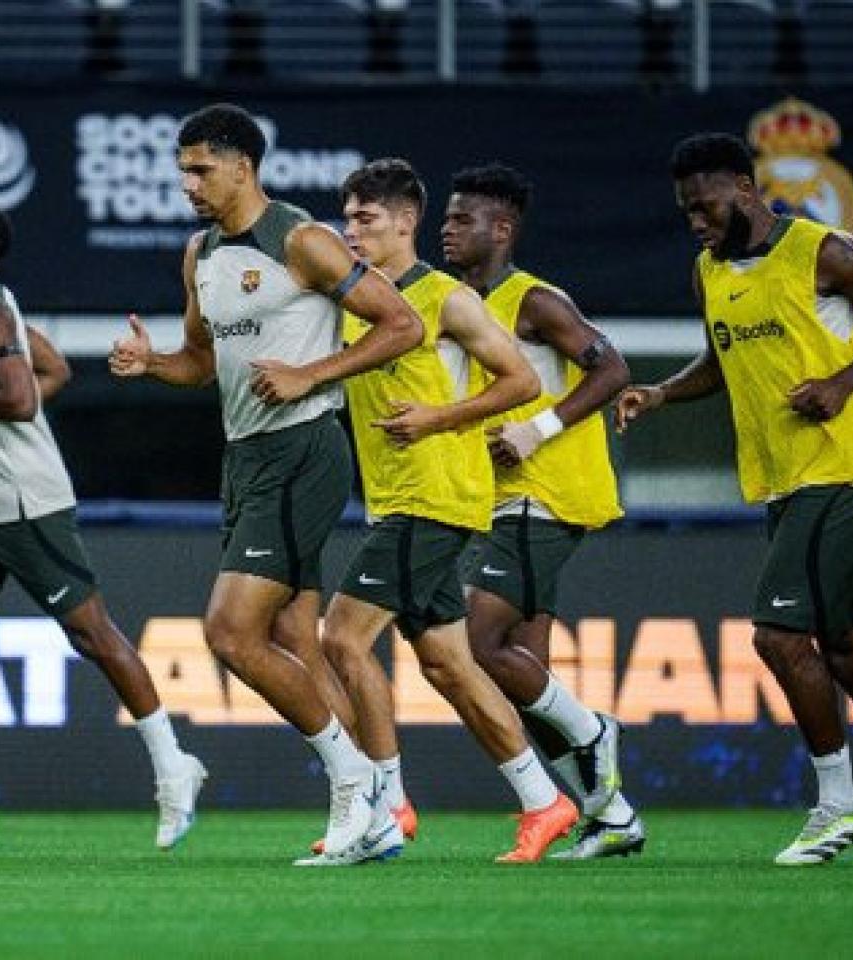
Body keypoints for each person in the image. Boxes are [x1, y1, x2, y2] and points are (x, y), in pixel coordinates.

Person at [617, 132, 853, 867]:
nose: (695, 222)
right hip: (784, 483)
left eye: (704, 206)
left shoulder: (820, 250)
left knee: (777, 637)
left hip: (843, 471)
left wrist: (845, 381)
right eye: (686, 211)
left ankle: (838, 807)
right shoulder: (710, 271)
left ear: (745, 191)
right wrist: (660, 393)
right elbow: (723, 363)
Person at [110, 103, 425, 866]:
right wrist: (151, 365)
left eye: (199, 168)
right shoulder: (200, 253)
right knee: (290, 638)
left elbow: (402, 325)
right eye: (182, 169)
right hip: (245, 457)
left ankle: (359, 788)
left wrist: (310, 373)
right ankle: (375, 802)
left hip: (304, 449)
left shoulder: (302, 239)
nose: (187, 183)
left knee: (229, 632)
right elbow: (198, 361)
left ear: (242, 166)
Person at [0, 202, 207, 851]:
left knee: (93, 636)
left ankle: (175, 766)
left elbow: (23, 396)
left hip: (26, 503)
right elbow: (55, 370)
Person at [316, 157, 580, 864]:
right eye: (347, 219)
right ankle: (545, 801)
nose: (353, 231)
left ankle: (386, 803)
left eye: (366, 219)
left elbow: (523, 381)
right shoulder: (356, 299)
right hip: (396, 499)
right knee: (450, 666)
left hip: (436, 496)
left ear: (407, 222)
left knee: (340, 637)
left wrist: (438, 418)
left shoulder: (447, 299)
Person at [443, 163, 646, 859]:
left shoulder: (535, 301)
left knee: (477, 644)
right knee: (526, 671)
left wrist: (539, 430)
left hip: (545, 493)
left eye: (461, 218)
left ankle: (595, 732)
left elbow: (612, 368)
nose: (447, 228)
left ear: (502, 230)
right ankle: (613, 814)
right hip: (503, 500)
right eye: (445, 217)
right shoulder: (458, 302)